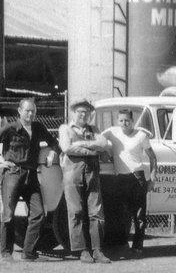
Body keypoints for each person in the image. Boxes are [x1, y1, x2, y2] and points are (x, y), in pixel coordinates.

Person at [0, 98, 60, 263]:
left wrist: (52, 152)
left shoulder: (38, 127)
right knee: (8, 214)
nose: (30, 114)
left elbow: (53, 142)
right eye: (27, 110)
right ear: (19, 111)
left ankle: (29, 252)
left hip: (31, 175)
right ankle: (6, 253)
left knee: (38, 214)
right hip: (13, 174)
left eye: (33, 111)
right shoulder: (10, 129)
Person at [58, 99, 111, 264]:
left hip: (92, 173)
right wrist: (92, 151)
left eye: (87, 112)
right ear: (73, 112)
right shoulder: (65, 128)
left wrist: (82, 143)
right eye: (80, 111)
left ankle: (97, 250)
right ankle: (82, 251)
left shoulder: (94, 129)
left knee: (96, 211)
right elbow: (67, 148)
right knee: (76, 211)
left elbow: (103, 144)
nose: (83, 114)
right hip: (72, 174)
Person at [102, 109, 158, 258]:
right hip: (120, 178)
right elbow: (98, 139)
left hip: (137, 177)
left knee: (139, 215)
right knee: (120, 215)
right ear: (117, 121)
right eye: (121, 120)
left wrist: (152, 179)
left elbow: (153, 158)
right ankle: (121, 246)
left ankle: (138, 247)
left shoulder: (141, 135)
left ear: (132, 121)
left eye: (127, 120)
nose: (124, 123)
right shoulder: (112, 133)